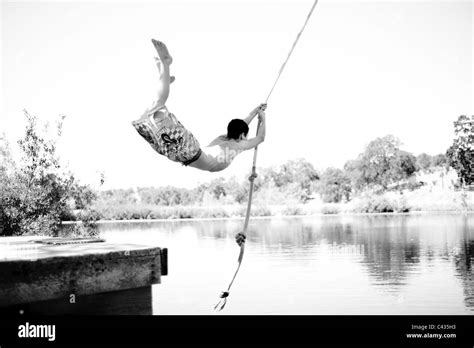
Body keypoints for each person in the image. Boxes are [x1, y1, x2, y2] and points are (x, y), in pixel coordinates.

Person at [132, 39, 266, 172]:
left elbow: (241, 125)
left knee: (148, 119)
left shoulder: (224, 139)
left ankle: (165, 77)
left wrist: (255, 112)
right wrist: (263, 118)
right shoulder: (239, 144)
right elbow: (260, 138)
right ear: (242, 135)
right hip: (187, 151)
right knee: (156, 109)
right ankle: (165, 65)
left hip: (183, 153)